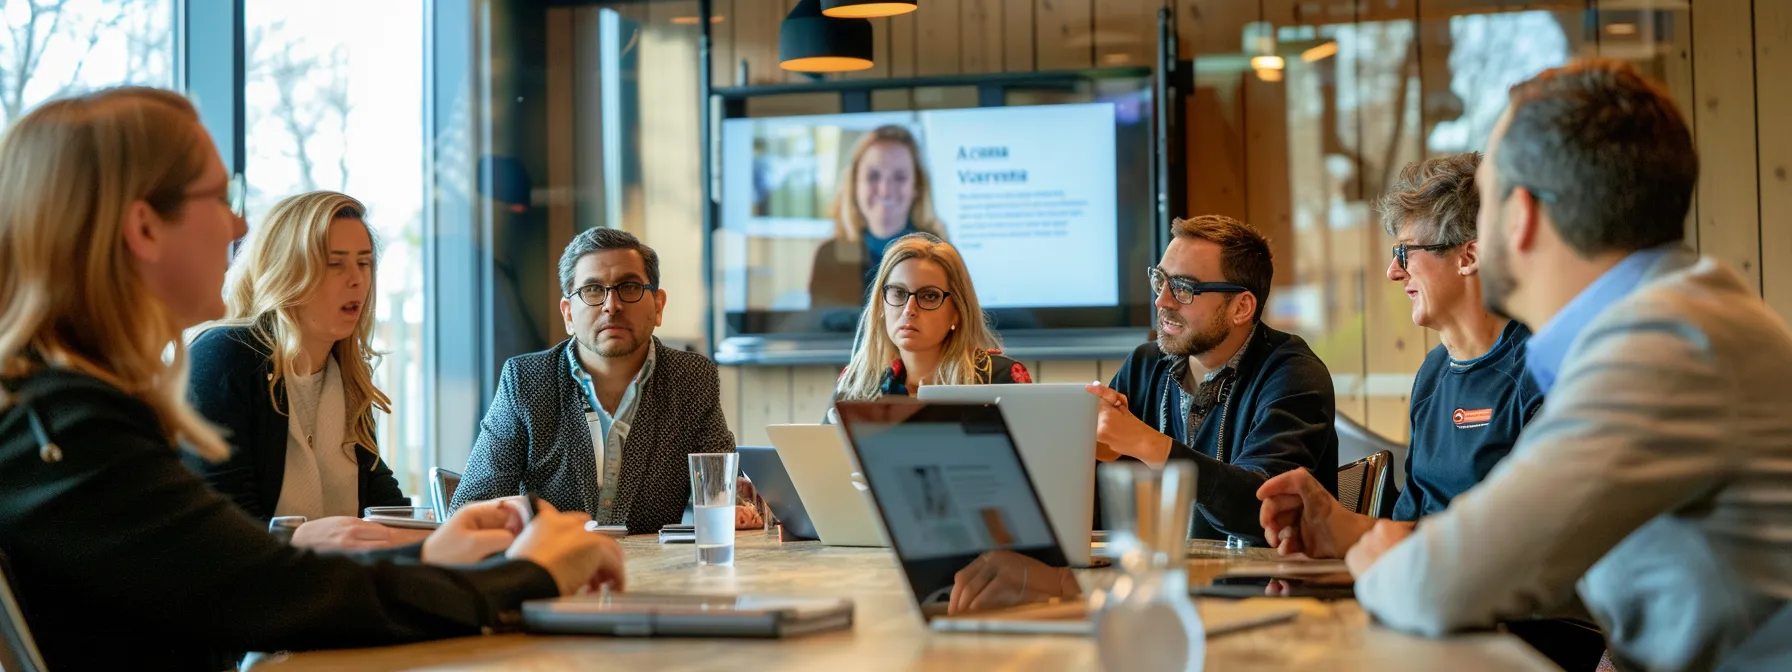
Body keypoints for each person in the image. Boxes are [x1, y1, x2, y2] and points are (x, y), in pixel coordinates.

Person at [0, 87, 623, 670]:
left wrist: (430, 552)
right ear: (143, 228)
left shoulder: (62, 413)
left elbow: (247, 580)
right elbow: (266, 594)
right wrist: (530, 575)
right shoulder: (63, 431)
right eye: (220, 199)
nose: (240, 227)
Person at [1294, 59, 1792, 671]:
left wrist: (1394, 556)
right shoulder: (1671, 320)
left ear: (1519, 215)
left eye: (1489, 196)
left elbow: (1437, 583)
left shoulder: (1664, 346)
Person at [1257, 152, 1544, 555]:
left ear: (1469, 257)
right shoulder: (1433, 372)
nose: (1394, 271)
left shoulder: (1541, 371)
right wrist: (1329, 524)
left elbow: (1523, 547)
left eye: (1405, 253)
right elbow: (1409, 529)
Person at [452, 227, 760, 534]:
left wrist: (734, 506)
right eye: (593, 290)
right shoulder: (526, 380)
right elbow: (470, 508)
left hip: (656, 574)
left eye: (629, 287)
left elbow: (720, 489)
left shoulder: (691, 378)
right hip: (555, 568)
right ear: (568, 314)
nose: (612, 305)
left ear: (658, 306)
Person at [186, 190, 422, 553]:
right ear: (285, 271)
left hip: (324, 590)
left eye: (364, 262)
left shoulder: (345, 375)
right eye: (334, 263)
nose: (357, 279)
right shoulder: (224, 355)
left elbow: (385, 512)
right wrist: (294, 538)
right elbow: (218, 532)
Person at [1086, 215, 1337, 545]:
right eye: (1160, 281)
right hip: (1158, 580)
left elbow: (1263, 508)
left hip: (1264, 589)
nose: (1162, 300)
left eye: (1184, 289)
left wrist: (1146, 443)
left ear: (1241, 307)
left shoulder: (1294, 377)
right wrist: (1087, 445)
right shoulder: (1146, 365)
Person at [831, 233, 1030, 408]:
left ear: (958, 311)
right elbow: (824, 450)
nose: (909, 310)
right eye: (898, 293)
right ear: (881, 305)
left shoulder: (998, 380)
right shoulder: (856, 384)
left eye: (929, 296)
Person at [808, 125, 948, 308]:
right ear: (855, 186)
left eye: (899, 177)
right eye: (873, 176)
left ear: (916, 188)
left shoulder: (941, 255)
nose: (885, 190)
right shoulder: (829, 256)